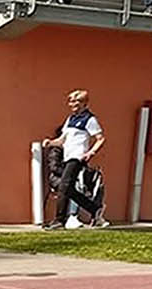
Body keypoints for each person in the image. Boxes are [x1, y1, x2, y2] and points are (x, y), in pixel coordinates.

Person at [40, 89, 107, 229]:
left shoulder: (89, 119)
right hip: (68, 156)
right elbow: (62, 139)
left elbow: (100, 138)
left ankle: (59, 220)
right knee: (68, 189)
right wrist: (50, 142)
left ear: (84, 103)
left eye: (75, 101)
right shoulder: (70, 119)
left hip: (78, 157)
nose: (72, 104)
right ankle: (95, 210)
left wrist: (90, 152)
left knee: (64, 186)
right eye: (71, 101)